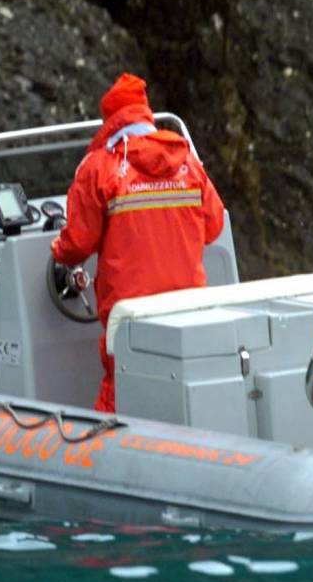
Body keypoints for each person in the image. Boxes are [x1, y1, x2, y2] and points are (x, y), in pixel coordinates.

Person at [51, 72, 225, 412]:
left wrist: (57, 250)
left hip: (130, 313)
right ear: (145, 114)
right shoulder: (188, 161)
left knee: (120, 394)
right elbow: (213, 227)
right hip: (187, 307)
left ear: (110, 119)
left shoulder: (100, 167)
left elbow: (78, 243)